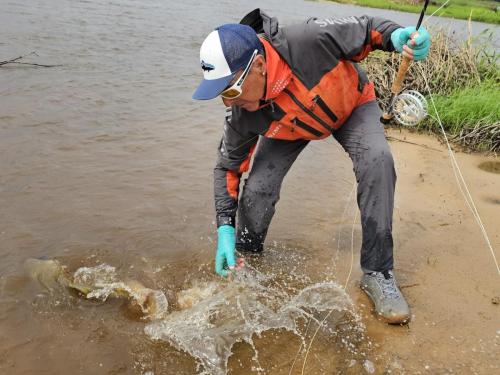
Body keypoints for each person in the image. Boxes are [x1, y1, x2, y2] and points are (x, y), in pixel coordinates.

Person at [192, 8, 430, 324]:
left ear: (259, 66)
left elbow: (368, 29)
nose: (228, 102)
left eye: (231, 90)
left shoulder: (308, 39)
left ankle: (378, 271)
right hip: (290, 127)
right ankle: (246, 256)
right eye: (219, 94)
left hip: (350, 105)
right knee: (259, 189)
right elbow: (227, 167)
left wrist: (398, 37)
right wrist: (224, 227)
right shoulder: (244, 112)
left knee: (378, 161)